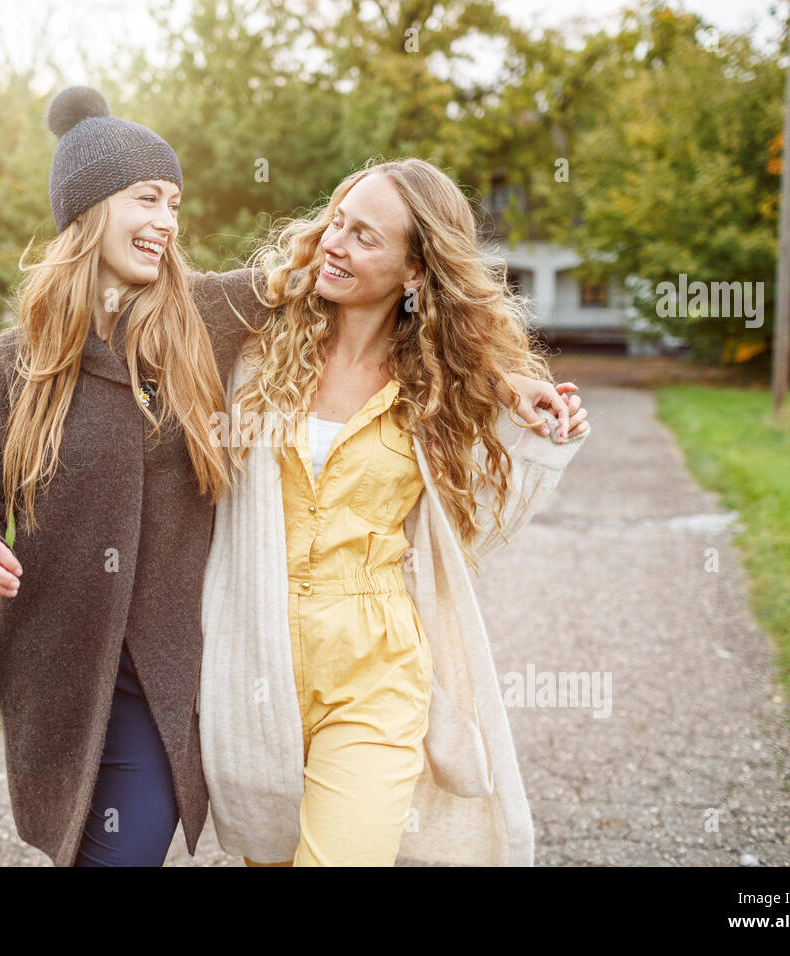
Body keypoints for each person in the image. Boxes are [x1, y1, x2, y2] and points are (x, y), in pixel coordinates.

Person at [198, 157, 591, 866]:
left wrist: (529, 422)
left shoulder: (439, 391)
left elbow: (479, 523)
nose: (335, 245)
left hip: (374, 667)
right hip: (254, 654)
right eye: (337, 222)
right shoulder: (253, 349)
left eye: (365, 237)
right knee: (266, 854)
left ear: (415, 271)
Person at [0, 86, 262, 866]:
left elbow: (338, 286)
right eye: (147, 197)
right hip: (56, 671)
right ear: (88, 211)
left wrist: (505, 377)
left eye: (175, 202)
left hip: (158, 675)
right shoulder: (17, 360)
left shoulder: (204, 317)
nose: (168, 222)